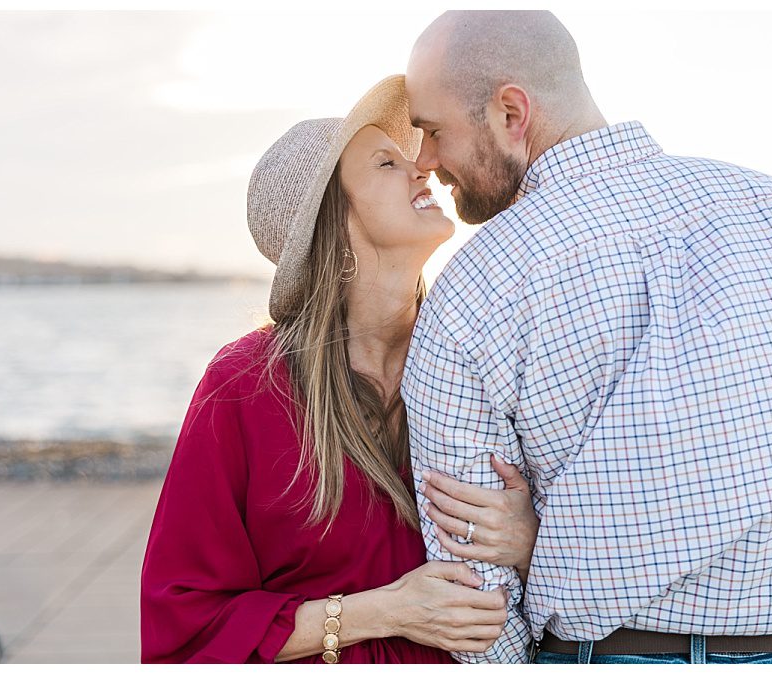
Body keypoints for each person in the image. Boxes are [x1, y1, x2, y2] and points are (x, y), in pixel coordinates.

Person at [403, 10, 772, 665]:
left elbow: (470, 568)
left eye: (431, 130)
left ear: (511, 113)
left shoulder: (480, 281)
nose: (424, 161)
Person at [139, 75, 540, 664]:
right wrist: (383, 611)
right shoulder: (247, 384)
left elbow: (606, 541)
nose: (421, 169)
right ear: (334, 220)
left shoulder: (488, 356)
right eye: (385, 163)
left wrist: (531, 541)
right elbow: (185, 620)